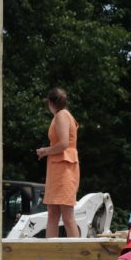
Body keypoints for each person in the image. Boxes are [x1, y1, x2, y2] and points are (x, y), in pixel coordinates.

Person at [36, 88, 80, 238]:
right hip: (59, 167)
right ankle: (51, 252)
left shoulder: (61, 115)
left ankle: (77, 253)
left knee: (67, 216)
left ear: (50, 102)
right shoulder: (63, 115)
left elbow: (63, 144)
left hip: (64, 167)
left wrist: (45, 151)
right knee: (53, 214)